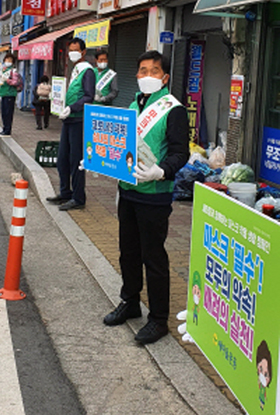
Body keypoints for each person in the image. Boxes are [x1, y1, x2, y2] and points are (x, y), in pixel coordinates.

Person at [103, 50, 189, 344]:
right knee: (128, 252)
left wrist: (160, 171)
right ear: (136, 75)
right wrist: (99, 159)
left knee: (153, 258)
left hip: (154, 195)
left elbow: (181, 152)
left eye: (154, 71)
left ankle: (158, 319)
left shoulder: (173, 109)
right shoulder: (132, 104)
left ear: (165, 77)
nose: (147, 76)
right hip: (128, 191)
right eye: (142, 70)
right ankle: (130, 302)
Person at [46, 38, 95, 211]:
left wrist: (72, 107)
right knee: (63, 159)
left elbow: (89, 96)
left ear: (83, 52)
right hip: (68, 119)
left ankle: (78, 197)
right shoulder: (75, 70)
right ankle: (65, 192)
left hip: (79, 120)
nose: (72, 53)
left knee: (76, 160)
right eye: (70, 50)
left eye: (76, 50)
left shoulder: (88, 71)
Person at [0, 53, 20, 138]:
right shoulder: (3, 70)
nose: (8, 61)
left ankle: (7, 130)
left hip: (10, 94)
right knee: (3, 112)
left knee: (8, 113)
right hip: (3, 93)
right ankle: (4, 128)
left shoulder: (13, 71)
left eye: (10, 60)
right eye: (7, 60)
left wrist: (7, 80)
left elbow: (15, 82)